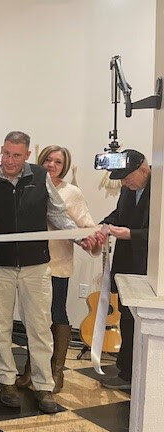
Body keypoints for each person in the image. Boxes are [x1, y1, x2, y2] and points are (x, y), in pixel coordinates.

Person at [0, 131, 88, 414]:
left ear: (27, 155)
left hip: (37, 266)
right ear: (0, 150)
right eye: (6, 153)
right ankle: (5, 381)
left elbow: (57, 214)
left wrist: (79, 236)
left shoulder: (40, 177)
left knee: (40, 328)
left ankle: (44, 386)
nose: (10, 160)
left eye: (17, 155)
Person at [16, 146, 95, 393]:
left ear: (65, 165)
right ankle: (32, 367)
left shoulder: (72, 193)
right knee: (33, 318)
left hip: (57, 265)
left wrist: (93, 237)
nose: (52, 165)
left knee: (56, 313)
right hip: (30, 264)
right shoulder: (30, 186)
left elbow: (86, 225)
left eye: (58, 162)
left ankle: (55, 370)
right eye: (48, 160)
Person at [86, 149, 150, 390]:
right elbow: (119, 214)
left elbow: (159, 231)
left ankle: (141, 373)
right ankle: (126, 372)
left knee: (142, 320)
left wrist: (130, 234)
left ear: (143, 169)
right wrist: (103, 225)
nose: (124, 182)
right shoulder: (127, 189)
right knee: (126, 317)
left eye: (127, 177)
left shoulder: (159, 190)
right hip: (126, 264)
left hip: (148, 267)